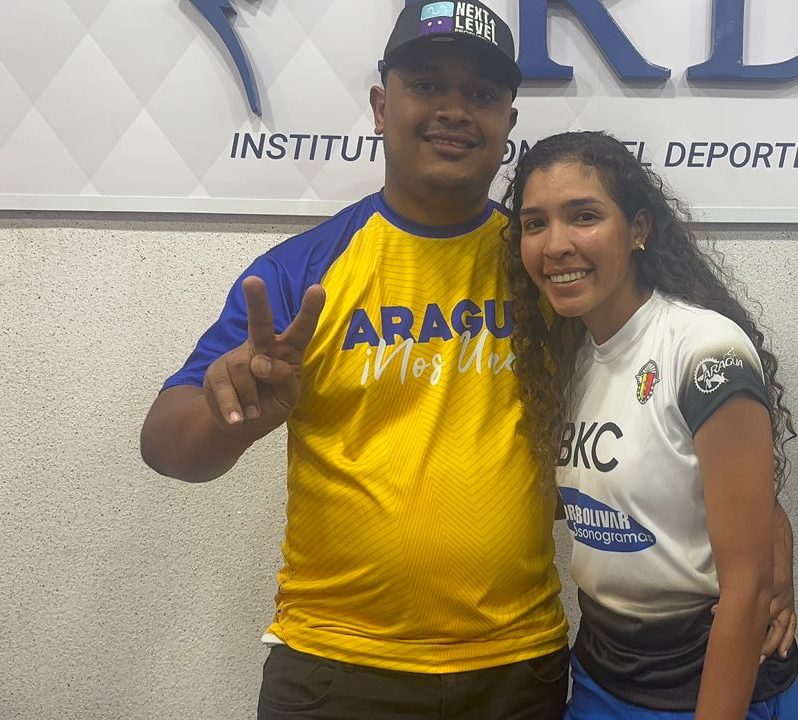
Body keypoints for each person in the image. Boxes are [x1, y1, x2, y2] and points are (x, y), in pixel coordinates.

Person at [141, 2, 571, 718]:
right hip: (336, 671)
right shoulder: (302, 272)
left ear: (508, 125)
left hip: (518, 668)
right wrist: (233, 416)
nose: (455, 109)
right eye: (427, 84)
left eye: (482, 93)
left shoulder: (547, 268)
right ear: (380, 107)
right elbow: (166, 449)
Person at [502, 130, 798, 719]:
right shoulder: (571, 356)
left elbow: (746, 587)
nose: (556, 244)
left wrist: (777, 568)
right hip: (602, 674)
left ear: (638, 228)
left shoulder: (704, 349)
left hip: (708, 684)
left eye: (584, 216)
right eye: (535, 224)